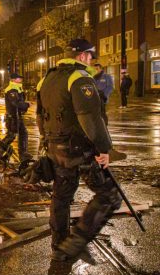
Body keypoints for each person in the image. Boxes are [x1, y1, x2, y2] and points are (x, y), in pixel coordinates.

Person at [36, 38, 121, 262]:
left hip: (56, 149)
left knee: (62, 196)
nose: (92, 62)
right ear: (83, 56)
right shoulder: (80, 78)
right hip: (78, 150)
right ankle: (76, 243)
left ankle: (59, 245)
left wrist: (48, 142)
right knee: (109, 195)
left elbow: (38, 116)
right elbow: (90, 119)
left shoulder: (47, 78)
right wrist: (104, 149)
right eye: (91, 57)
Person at [2, 73, 31, 162]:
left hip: (17, 116)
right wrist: (27, 105)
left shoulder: (17, 88)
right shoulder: (12, 89)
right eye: (19, 78)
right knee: (11, 136)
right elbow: (16, 103)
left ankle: (23, 154)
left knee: (23, 133)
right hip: (13, 117)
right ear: (13, 80)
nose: (21, 79)